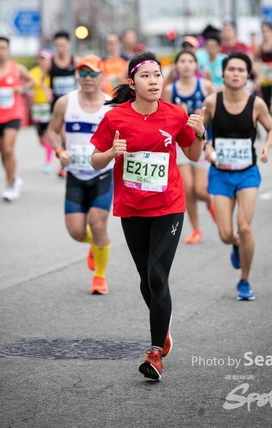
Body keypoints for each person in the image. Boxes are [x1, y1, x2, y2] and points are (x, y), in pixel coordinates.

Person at [90, 52, 206, 381]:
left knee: (157, 275)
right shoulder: (115, 118)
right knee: (146, 279)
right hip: (132, 207)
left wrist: (200, 134)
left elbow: (192, 154)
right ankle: (163, 327)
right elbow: (95, 160)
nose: (154, 81)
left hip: (169, 205)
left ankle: (155, 353)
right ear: (132, 83)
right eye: (146, 76)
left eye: (157, 75)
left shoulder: (175, 114)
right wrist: (110, 153)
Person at [202, 52, 272, 301]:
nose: (236, 74)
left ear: (247, 75)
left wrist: (267, 146)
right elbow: (199, 132)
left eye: (241, 70)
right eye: (231, 69)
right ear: (223, 74)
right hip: (221, 174)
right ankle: (236, 243)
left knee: (244, 227)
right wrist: (206, 146)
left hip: (247, 173)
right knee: (226, 234)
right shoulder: (213, 102)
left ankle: (244, 280)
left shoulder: (256, 104)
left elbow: (271, 129)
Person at [48, 55, 113, 295]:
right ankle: (96, 244)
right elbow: (52, 131)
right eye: (83, 73)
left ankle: (100, 277)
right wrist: (59, 151)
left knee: (97, 223)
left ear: (102, 76)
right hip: (75, 174)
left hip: (102, 174)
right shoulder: (65, 103)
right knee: (76, 232)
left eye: (93, 73)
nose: (87, 78)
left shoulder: (111, 106)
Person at [163, 50, 216, 244]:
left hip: (202, 141)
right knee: (188, 189)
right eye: (182, 61)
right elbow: (164, 120)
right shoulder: (170, 90)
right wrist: (178, 114)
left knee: (201, 190)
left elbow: (216, 115)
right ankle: (196, 230)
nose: (186, 65)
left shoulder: (206, 86)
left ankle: (210, 202)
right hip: (180, 145)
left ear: (196, 66)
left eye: (190, 61)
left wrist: (210, 143)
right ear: (176, 66)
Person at [0, 36, 34, 201]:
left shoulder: (17, 68)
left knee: (8, 149)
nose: (0, 52)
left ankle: (9, 186)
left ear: (9, 50)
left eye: (3, 48)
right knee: (3, 153)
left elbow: (31, 81)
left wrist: (23, 88)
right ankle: (14, 179)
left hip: (13, 115)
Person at [49, 31, 80, 177]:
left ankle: (66, 164)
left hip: (72, 104)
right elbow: (41, 80)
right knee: (63, 134)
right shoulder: (50, 62)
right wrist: (46, 90)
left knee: (68, 135)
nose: (60, 49)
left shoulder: (75, 61)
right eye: (58, 46)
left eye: (63, 45)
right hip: (57, 105)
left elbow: (83, 78)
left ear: (68, 45)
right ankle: (65, 163)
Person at [29, 49, 54, 173]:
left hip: (49, 107)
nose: (42, 61)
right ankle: (53, 147)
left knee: (47, 135)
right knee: (41, 140)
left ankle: (47, 162)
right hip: (37, 109)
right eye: (40, 59)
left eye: (45, 59)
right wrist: (29, 92)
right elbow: (27, 87)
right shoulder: (32, 73)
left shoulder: (52, 73)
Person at [254, 22, 272, 111]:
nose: (264, 33)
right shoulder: (259, 47)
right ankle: (260, 104)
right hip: (263, 72)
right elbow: (253, 60)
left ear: (271, 32)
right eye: (262, 31)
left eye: (266, 31)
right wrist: (257, 70)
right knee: (257, 82)